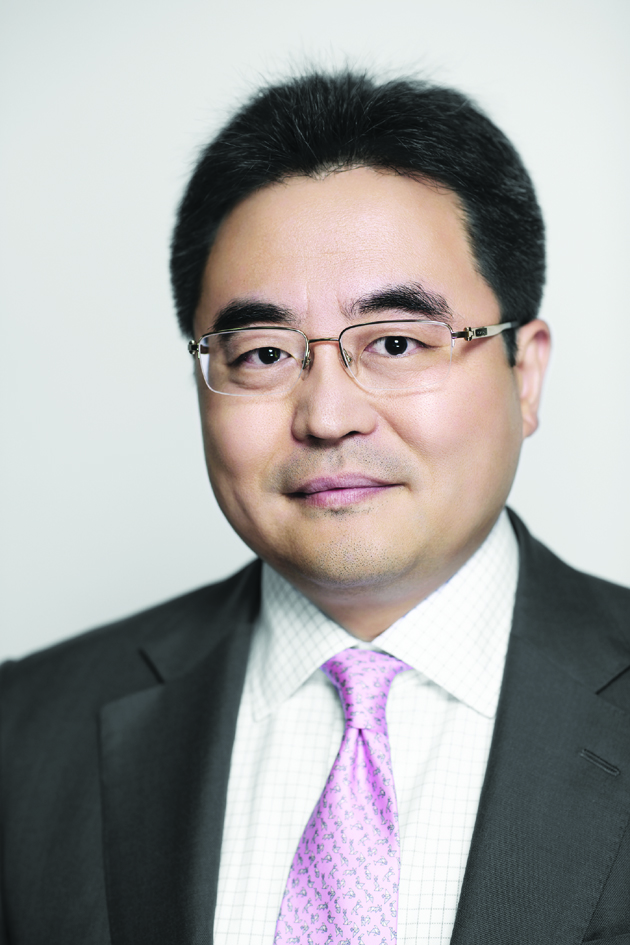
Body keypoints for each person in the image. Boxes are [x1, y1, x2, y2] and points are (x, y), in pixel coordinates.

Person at [1, 71, 629, 945]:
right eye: (263, 354)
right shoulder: (25, 734)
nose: (328, 415)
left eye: (397, 341)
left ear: (524, 373)